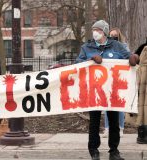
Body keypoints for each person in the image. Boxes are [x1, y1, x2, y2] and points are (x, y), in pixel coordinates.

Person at [75, 20, 136, 160]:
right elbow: (77, 64)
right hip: (94, 91)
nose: (95, 33)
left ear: (104, 32)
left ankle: (114, 151)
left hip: (113, 91)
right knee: (94, 122)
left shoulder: (116, 46)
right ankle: (94, 151)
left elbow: (128, 57)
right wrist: (91, 59)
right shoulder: (87, 47)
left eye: (98, 30)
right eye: (93, 30)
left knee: (114, 122)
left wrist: (134, 58)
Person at [102, 28, 129, 138]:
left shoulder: (123, 46)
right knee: (106, 105)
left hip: (119, 80)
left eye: (115, 35)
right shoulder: (104, 47)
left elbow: (128, 59)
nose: (113, 37)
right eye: (111, 35)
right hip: (107, 80)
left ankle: (120, 128)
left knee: (119, 106)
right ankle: (107, 129)